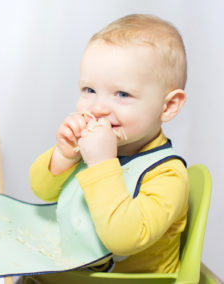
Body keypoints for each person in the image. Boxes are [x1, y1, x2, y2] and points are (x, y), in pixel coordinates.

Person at [28, 13, 188, 278]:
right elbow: (40, 190)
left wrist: (102, 163)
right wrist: (64, 155)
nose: (98, 108)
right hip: (74, 270)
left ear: (168, 106)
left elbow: (123, 239)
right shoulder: (90, 143)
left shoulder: (168, 175)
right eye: (89, 90)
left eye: (122, 94)